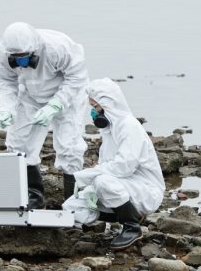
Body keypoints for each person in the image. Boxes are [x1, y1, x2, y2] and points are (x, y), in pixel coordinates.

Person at [0, 22, 88, 209]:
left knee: (69, 146)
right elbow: (5, 80)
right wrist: (6, 107)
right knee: (19, 144)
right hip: (31, 95)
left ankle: (74, 203)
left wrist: (55, 105)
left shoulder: (58, 47)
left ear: (34, 48)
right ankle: (33, 196)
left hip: (68, 95)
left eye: (24, 56)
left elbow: (77, 77)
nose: (20, 60)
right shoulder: (3, 52)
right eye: (16, 57)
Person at [63, 78, 165, 250]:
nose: (94, 113)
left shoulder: (129, 126)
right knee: (72, 205)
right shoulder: (110, 130)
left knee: (103, 183)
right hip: (124, 185)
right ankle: (70, 227)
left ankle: (132, 226)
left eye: (96, 107)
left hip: (145, 189)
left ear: (108, 104)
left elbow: (124, 166)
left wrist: (88, 175)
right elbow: (107, 167)